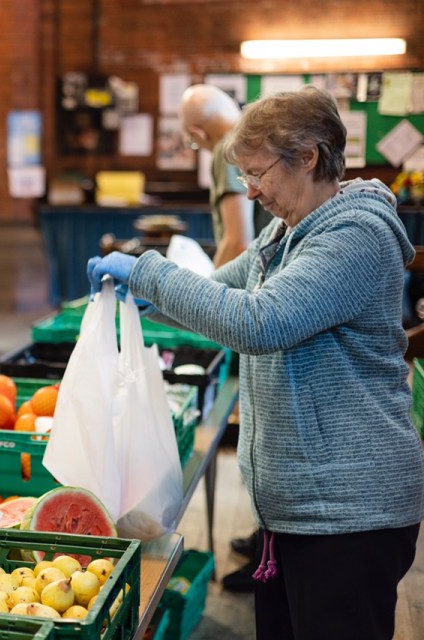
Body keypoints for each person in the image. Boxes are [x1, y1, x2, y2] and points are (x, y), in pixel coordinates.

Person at [89, 86, 424, 639]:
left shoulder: (356, 236)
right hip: (295, 510)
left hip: (349, 513)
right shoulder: (288, 228)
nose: (250, 191)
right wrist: (150, 301)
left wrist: (148, 272)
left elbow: (258, 322)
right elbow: (221, 292)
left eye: (258, 173)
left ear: (309, 157)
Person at [180, 83, 270, 591]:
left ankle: (264, 555)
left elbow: (238, 239)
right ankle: (263, 541)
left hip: (251, 304)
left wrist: (202, 305)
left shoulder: (224, 151)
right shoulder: (251, 137)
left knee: (255, 419)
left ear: (196, 132)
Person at [179, 84, 270, 267]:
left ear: (197, 133)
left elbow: (237, 243)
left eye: (193, 143)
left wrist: (206, 289)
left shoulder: (227, 148)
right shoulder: (256, 138)